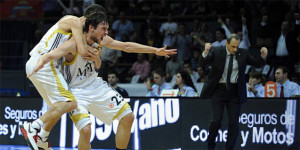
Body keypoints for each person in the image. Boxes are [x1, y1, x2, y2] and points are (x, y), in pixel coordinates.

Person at [28, 11, 177, 150]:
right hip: (76, 90)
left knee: (128, 117)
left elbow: (126, 46)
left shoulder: (101, 40)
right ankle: (39, 134)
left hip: (95, 85)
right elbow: (52, 54)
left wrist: (155, 50)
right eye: (103, 28)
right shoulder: (73, 42)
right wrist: (40, 61)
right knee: (86, 130)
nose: (106, 32)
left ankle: (42, 137)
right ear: (91, 27)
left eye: (107, 29)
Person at [20, 4, 107, 150]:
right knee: (70, 103)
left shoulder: (76, 28)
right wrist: (96, 52)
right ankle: (32, 127)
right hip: (45, 63)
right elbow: (82, 50)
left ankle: (42, 139)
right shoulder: (75, 22)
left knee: (59, 107)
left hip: (42, 63)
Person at [199, 34, 268, 150]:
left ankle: (229, 148)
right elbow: (203, 62)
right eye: (232, 47)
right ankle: (210, 146)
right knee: (216, 121)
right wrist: (205, 51)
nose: (235, 49)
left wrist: (263, 56)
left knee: (233, 123)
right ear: (227, 43)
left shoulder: (243, 53)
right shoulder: (216, 50)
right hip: (219, 90)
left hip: (235, 91)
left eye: (237, 46)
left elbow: (257, 63)